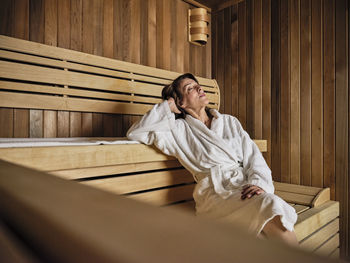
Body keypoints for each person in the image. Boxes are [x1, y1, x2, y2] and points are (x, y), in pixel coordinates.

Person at [127, 73, 298, 246]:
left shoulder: (230, 122)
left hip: (243, 187)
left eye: (198, 85)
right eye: (190, 88)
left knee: (264, 220)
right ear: (181, 102)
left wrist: (259, 184)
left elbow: (253, 157)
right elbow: (136, 133)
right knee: (268, 206)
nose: (199, 88)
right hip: (216, 196)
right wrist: (167, 106)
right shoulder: (177, 130)